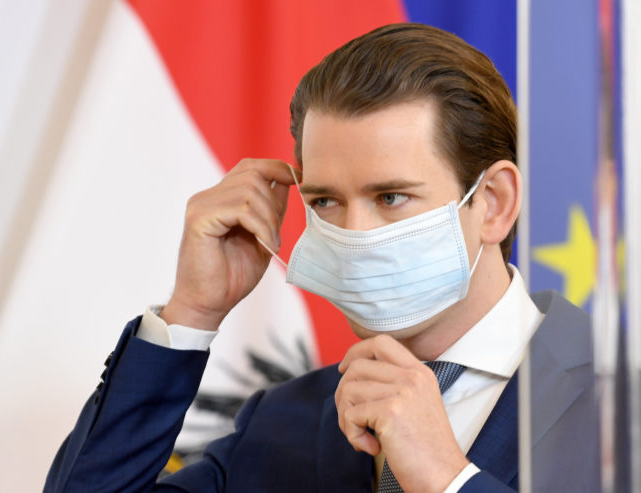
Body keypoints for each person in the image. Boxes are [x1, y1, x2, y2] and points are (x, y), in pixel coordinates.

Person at [45, 23, 598, 492]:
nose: (354, 235)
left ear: (494, 203)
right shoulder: (279, 422)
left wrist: (447, 479)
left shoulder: (619, 400)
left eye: (391, 197)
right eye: (326, 201)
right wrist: (192, 311)